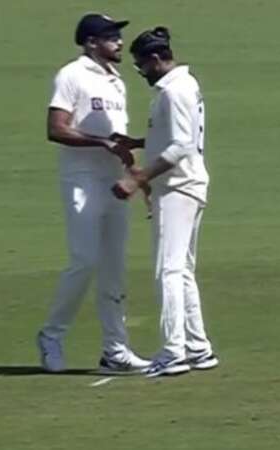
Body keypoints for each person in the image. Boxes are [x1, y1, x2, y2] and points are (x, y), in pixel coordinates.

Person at [37, 13, 150, 374]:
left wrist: (138, 176)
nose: (118, 41)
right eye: (110, 36)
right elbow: (56, 129)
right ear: (90, 42)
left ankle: (115, 350)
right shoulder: (72, 74)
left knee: (114, 267)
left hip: (114, 180)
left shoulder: (117, 82)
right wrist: (100, 143)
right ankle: (51, 335)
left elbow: (117, 138)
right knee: (84, 260)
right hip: (82, 178)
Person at [112, 26, 218, 378]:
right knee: (182, 270)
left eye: (142, 65)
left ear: (157, 58)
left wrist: (138, 178)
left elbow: (180, 147)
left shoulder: (175, 92)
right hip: (185, 184)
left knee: (168, 270)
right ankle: (199, 348)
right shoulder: (178, 87)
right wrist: (139, 141)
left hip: (178, 187)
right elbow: (171, 137)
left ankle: (174, 352)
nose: (142, 72)